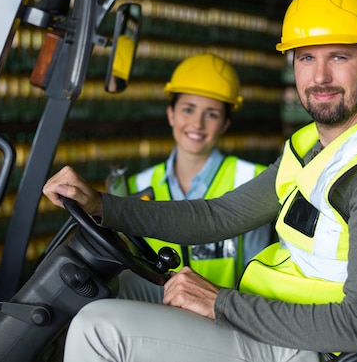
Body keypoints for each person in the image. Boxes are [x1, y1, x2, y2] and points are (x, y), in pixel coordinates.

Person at [43, 0, 357, 362]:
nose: (320, 77)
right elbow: (218, 215)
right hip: (273, 319)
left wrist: (219, 302)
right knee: (117, 287)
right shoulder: (311, 147)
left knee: (96, 328)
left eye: (339, 56)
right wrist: (102, 205)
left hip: (311, 348)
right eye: (307, 57)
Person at [108, 52, 273, 290]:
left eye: (212, 114)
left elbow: (258, 275)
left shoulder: (253, 180)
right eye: (188, 109)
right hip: (154, 319)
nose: (197, 124)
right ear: (170, 114)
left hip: (223, 320)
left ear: (225, 124)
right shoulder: (137, 187)